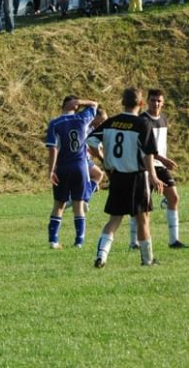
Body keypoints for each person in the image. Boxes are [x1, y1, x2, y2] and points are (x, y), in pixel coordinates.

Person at [86, 88, 165, 268]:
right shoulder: (142, 124)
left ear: (122, 102)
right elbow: (147, 154)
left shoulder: (111, 122)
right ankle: (147, 260)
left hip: (117, 177)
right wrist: (153, 175)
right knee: (143, 218)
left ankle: (101, 256)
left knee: (114, 220)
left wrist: (104, 159)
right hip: (137, 177)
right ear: (141, 103)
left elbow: (91, 143)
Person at [128, 89, 189, 250]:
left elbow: (158, 145)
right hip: (144, 167)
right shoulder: (142, 120)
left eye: (158, 101)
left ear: (163, 103)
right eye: (153, 100)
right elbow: (143, 149)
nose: (155, 103)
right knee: (141, 206)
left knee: (174, 197)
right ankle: (134, 242)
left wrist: (163, 160)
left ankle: (173, 240)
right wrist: (162, 159)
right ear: (147, 102)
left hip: (160, 166)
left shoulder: (163, 118)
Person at [46, 95, 98, 249]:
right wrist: (82, 102)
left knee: (59, 204)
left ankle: (53, 241)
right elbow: (94, 103)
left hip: (63, 167)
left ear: (63, 105)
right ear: (75, 106)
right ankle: (79, 242)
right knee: (78, 205)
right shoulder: (83, 118)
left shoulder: (55, 124)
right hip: (80, 167)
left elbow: (53, 148)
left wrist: (51, 170)